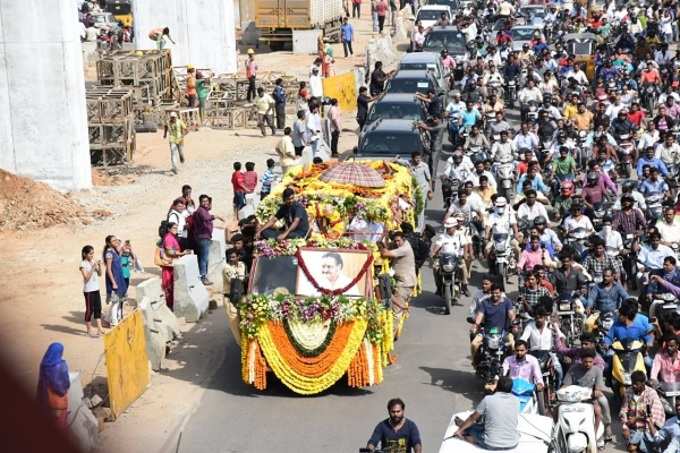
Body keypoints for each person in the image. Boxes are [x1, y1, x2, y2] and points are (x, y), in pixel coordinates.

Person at [562, 348, 614, 441]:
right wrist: (558, 392)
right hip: (574, 398)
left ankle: (601, 430)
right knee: (557, 410)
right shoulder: (573, 369)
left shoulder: (597, 370)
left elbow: (598, 387)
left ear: (594, 360)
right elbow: (565, 385)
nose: (588, 364)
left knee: (600, 409)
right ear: (581, 360)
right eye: (585, 361)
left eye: (590, 362)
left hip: (591, 397)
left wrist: (596, 392)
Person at [454, 376, 519, 450]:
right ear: (510, 389)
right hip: (513, 443)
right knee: (482, 426)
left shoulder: (488, 399)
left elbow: (473, 418)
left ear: (497, 387)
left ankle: (463, 434)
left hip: (491, 443)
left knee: (473, 430)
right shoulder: (516, 401)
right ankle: (464, 426)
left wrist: (459, 431)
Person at [620, 370, 666, 452]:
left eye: (636, 384)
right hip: (633, 428)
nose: (633, 386)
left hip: (648, 429)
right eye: (632, 383)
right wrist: (625, 426)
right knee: (631, 448)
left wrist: (637, 418)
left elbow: (655, 415)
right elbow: (624, 410)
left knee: (645, 449)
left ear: (643, 383)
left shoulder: (651, 393)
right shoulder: (629, 392)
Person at [470, 284, 515, 360]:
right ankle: (475, 363)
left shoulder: (507, 302)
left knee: (513, 345)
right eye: (493, 293)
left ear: (501, 293)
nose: (495, 295)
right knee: (474, 344)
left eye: (497, 293)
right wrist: (476, 324)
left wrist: (514, 320)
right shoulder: (484, 302)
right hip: (486, 333)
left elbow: (511, 313)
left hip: (504, 333)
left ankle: (512, 365)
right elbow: (480, 315)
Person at [36, 343, 70, 429]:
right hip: (57, 403)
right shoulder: (60, 366)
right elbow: (62, 388)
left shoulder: (44, 364)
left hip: (44, 397)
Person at [192, 195, 223, 286]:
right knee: (204, 259)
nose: (205, 203)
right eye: (203, 201)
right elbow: (206, 218)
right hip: (203, 238)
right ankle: (203, 277)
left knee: (202, 258)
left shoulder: (204, 210)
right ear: (200, 202)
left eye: (207, 201)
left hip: (203, 237)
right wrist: (216, 216)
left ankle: (202, 276)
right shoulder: (201, 211)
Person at [160, 222, 190, 310]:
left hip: (172, 264)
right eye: (174, 228)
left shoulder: (171, 237)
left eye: (176, 228)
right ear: (169, 229)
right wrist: (182, 253)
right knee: (170, 286)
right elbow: (169, 251)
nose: (175, 230)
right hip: (169, 266)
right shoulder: (169, 238)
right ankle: (171, 306)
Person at [79, 245, 103, 337]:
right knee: (89, 310)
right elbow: (86, 278)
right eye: (90, 254)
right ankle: (88, 330)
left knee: (98, 308)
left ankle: (99, 328)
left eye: (93, 253)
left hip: (96, 288)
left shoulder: (92, 261)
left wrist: (99, 266)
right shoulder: (82, 264)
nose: (92, 255)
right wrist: (93, 267)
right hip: (88, 290)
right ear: (85, 254)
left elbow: (100, 274)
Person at [103, 235, 127, 326]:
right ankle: (114, 322)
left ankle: (108, 318)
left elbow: (117, 260)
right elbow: (109, 269)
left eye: (116, 240)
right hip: (114, 278)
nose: (116, 241)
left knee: (118, 300)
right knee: (115, 301)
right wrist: (113, 282)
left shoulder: (114, 251)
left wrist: (122, 250)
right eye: (114, 240)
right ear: (109, 243)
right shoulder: (109, 253)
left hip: (118, 277)